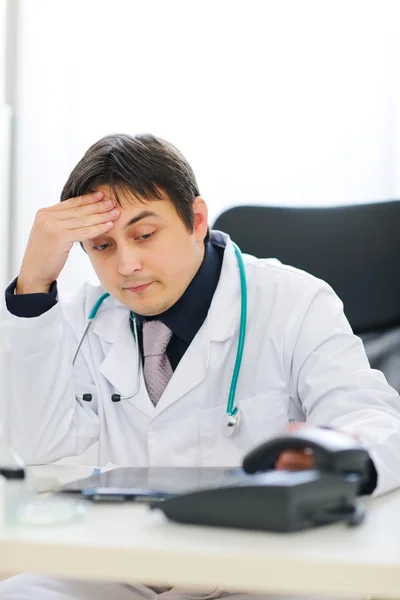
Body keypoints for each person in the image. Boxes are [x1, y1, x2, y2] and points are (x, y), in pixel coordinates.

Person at [1, 133, 400, 600]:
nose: (127, 264)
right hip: (120, 568)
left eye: (144, 235)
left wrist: (336, 455)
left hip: (266, 570)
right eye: (103, 246)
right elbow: (40, 447)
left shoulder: (295, 302)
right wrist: (34, 284)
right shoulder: (80, 317)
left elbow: (374, 419)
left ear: (196, 220)